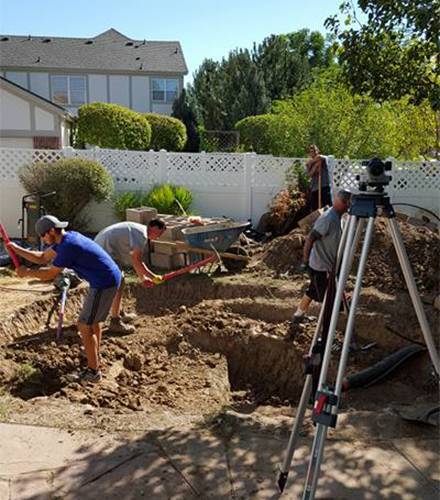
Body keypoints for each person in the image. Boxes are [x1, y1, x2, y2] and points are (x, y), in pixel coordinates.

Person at [8, 215, 121, 383]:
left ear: (52, 231)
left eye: (43, 235)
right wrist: (16, 249)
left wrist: (27, 272)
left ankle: (93, 372)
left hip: (104, 282)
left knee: (84, 324)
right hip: (107, 278)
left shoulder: (68, 246)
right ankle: (94, 358)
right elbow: (42, 257)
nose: (42, 239)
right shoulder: (67, 238)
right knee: (93, 322)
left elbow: (48, 274)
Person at [94, 219, 166, 334]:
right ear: (153, 227)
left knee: (120, 280)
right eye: (160, 233)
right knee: (118, 281)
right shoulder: (141, 234)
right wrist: (153, 276)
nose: (159, 237)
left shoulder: (139, 231)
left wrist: (144, 278)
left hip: (105, 249)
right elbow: (137, 260)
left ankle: (119, 312)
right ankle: (115, 322)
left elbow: (136, 261)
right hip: (102, 251)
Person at [292, 189, 351, 324]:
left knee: (312, 290)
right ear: (344, 202)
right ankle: (325, 332)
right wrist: (305, 262)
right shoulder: (328, 218)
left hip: (327, 266)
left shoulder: (338, 217)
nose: (350, 206)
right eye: (349, 203)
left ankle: (298, 315)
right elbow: (310, 239)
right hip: (321, 267)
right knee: (329, 301)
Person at [306, 144, 332, 211]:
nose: (313, 153)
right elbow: (309, 174)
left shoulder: (323, 159)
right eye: (311, 152)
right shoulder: (308, 163)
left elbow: (320, 157)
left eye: (314, 151)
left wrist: (313, 162)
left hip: (324, 186)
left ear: (317, 151)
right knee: (314, 207)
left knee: (327, 206)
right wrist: (315, 166)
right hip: (314, 187)